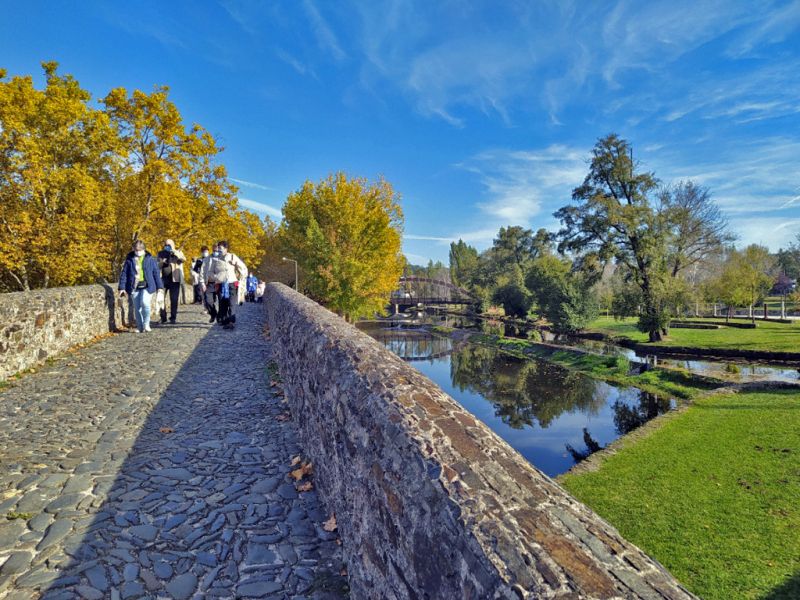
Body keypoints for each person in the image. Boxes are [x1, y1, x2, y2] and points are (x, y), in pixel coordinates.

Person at [118, 240, 163, 333]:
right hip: (134, 286)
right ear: (134, 249)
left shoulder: (150, 259)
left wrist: (160, 287)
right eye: (136, 250)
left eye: (140, 250)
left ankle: (146, 324)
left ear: (144, 249)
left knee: (145, 303)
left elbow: (156, 273)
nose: (138, 252)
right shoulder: (129, 260)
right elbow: (124, 274)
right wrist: (122, 287)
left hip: (148, 286)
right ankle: (140, 326)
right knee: (137, 308)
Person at [208, 240, 248, 329]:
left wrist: (238, 270)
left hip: (232, 283)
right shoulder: (215, 259)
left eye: (221, 248)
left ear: (226, 249)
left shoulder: (233, 257)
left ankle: (231, 321)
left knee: (231, 303)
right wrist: (215, 277)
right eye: (218, 248)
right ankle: (224, 320)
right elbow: (210, 271)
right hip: (221, 284)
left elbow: (243, 268)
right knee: (222, 303)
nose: (219, 250)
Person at [157, 238, 186, 324]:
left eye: (169, 245)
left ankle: (173, 317)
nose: (167, 246)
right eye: (166, 245)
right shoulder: (161, 253)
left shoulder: (177, 252)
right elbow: (157, 264)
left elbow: (184, 259)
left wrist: (174, 252)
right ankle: (163, 317)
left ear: (173, 245)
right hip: (163, 279)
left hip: (174, 279)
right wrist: (162, 262)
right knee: (160, 299)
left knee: (174, 299)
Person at [200, 244, 220, 323]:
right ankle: (213, 313)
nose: (216, 252)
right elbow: (202, 271)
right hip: (210, 283)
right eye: (214, 251)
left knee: (222, 302)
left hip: (220, 283)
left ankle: (221, 317)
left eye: (217, 251)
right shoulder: (207, 259)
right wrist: (202, 283)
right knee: (208, 301)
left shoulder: (223, 258)